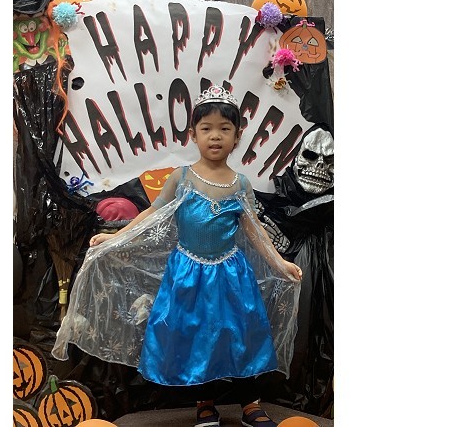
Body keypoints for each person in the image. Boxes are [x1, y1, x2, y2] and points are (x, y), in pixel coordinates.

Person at [52, 85, 303, 427]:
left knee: (242, 334)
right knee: (196, 336)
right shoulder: (181, 178)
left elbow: (254, 231)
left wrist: (280, 262)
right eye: (207, 128)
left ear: (237, 137)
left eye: (225, 129)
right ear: (193, 135)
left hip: (232, 276)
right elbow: (151, 214)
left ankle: (250, 404)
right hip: (188, 275)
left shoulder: (240, 184)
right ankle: (204, 403)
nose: (215, 136)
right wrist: (115, 236)